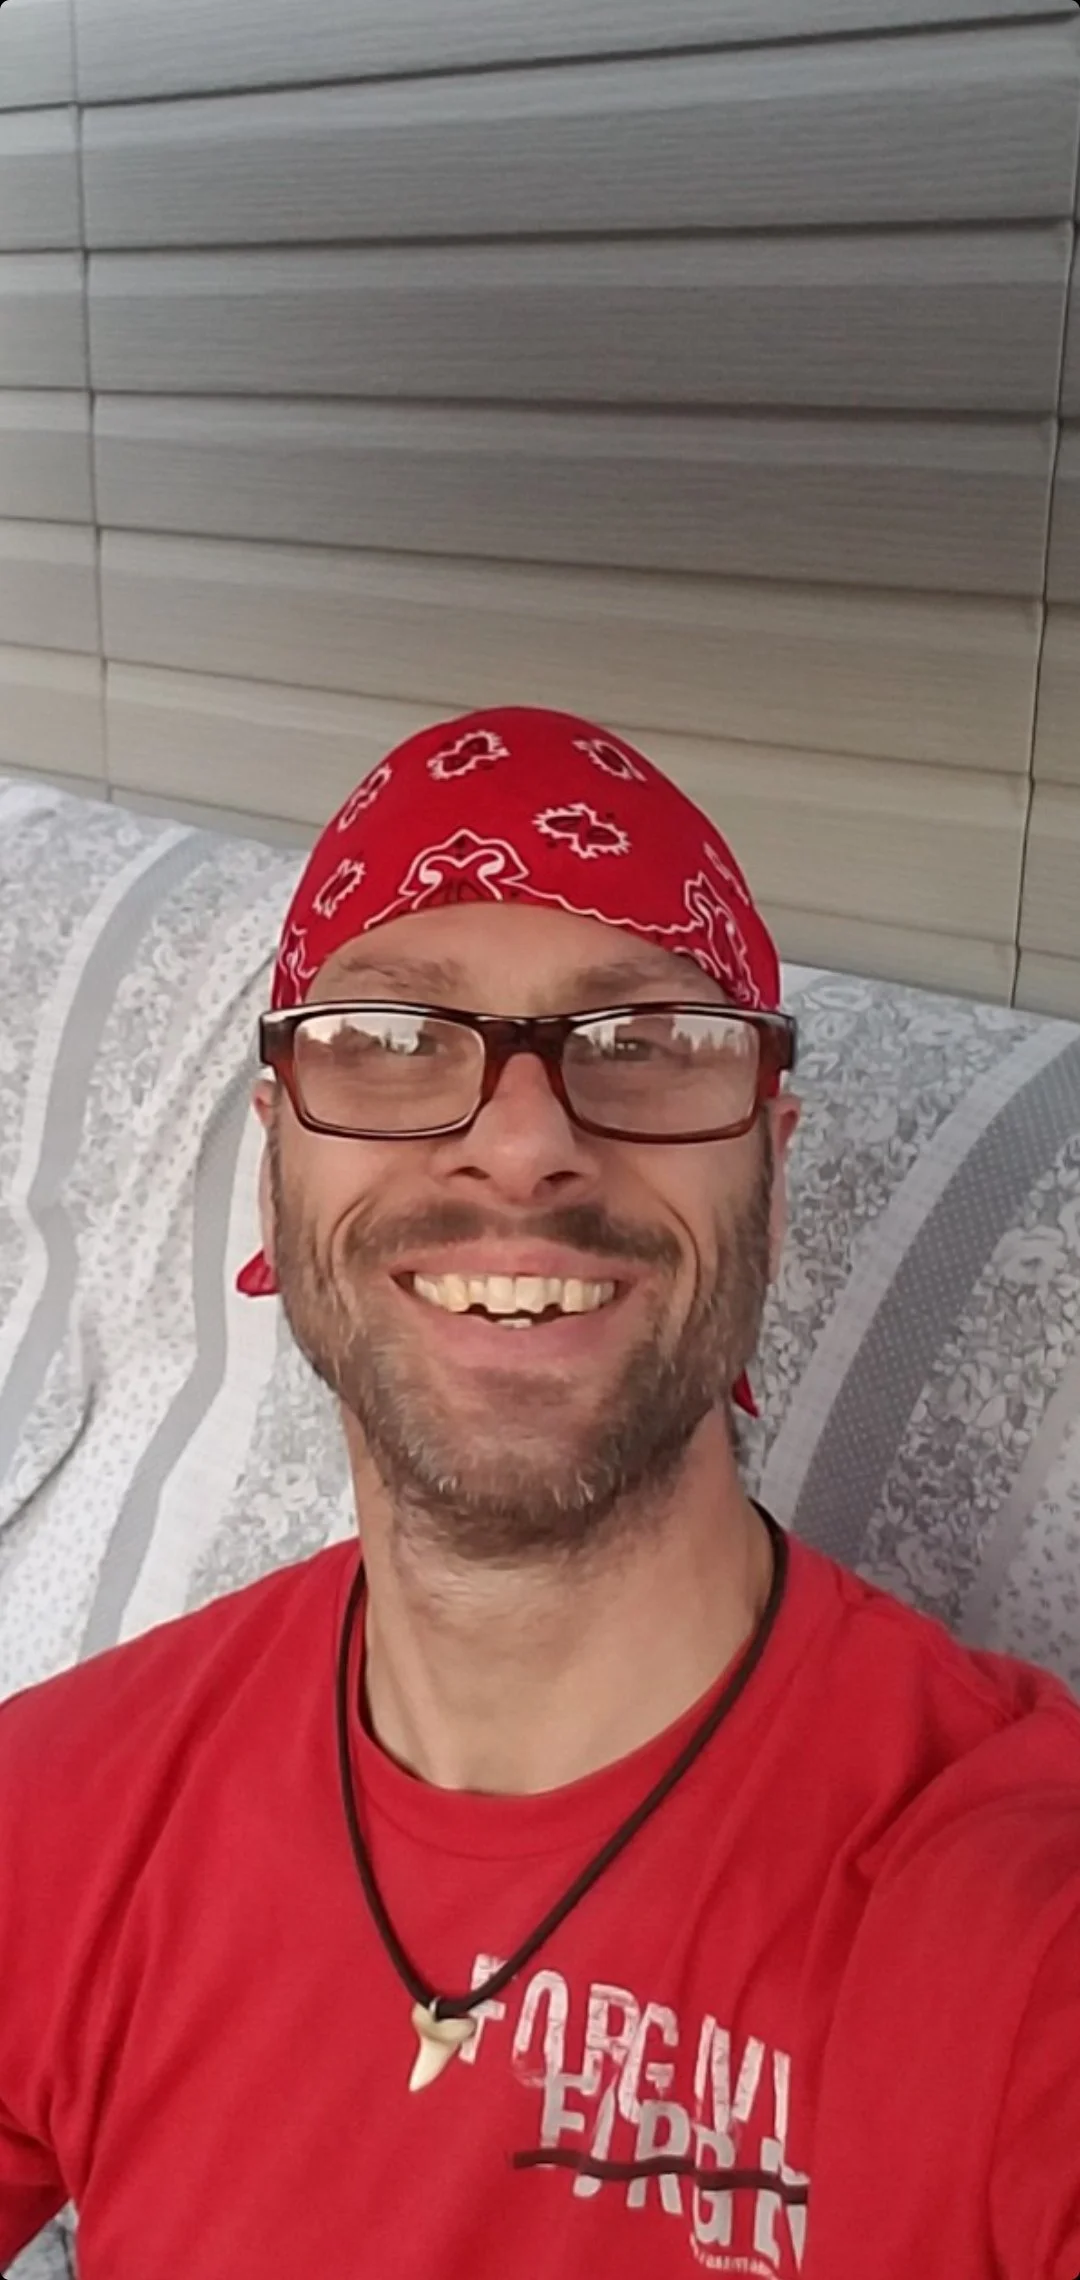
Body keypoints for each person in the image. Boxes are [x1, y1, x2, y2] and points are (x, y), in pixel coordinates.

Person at [1, 705, 1078, 2280]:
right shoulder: (58, 1817)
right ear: (276, 1166)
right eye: (391, 1041)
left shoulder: (1014, 1922)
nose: (521, 1147)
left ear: (771, 1175)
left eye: (642, 1046)